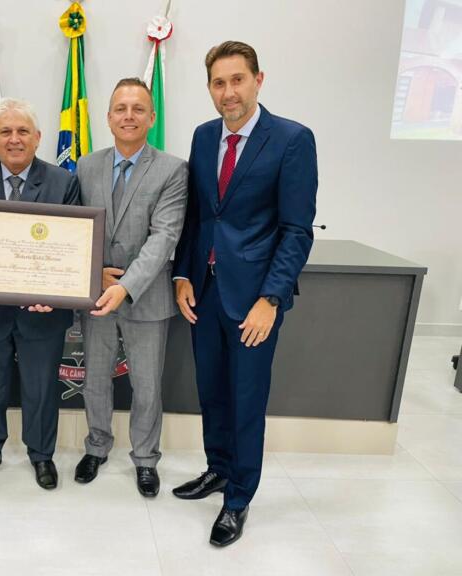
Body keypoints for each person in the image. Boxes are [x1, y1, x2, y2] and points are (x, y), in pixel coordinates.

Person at [172, 41, 317, 546]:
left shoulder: (292, 140)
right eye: (218, 82)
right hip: (205, 292)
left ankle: (238, 498)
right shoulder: (203, 135)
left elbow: (297, 230)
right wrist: (183, 276)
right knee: (211, 390)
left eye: (237, 80)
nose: (228, 92)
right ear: (209, 88)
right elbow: (198, 215)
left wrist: (271, 299)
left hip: (255, 299)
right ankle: (218, 468)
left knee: (246, 399)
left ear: (259, 79)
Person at [0, 98, 80, 491]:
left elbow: (74, 244)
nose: (14, 139)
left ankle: (41, 456)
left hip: (43, 309)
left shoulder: (63, 182)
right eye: (5, 131)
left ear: (38, 138)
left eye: (23, 131)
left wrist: (55, 295)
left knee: (41, 385)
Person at [74, 78, 187, 497]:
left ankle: (145, 458)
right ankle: (97, 446)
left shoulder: (173, 169)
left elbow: (164, 236)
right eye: (120, 108)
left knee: (147, 384)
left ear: (151, 117)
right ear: (107, 117)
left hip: (147, 296)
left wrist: (126, 286)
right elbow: (75, 230)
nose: (128, 115)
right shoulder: (86, 165)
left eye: (138, 108)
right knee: (95, 379)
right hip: (96, 294)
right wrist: (91, 275)